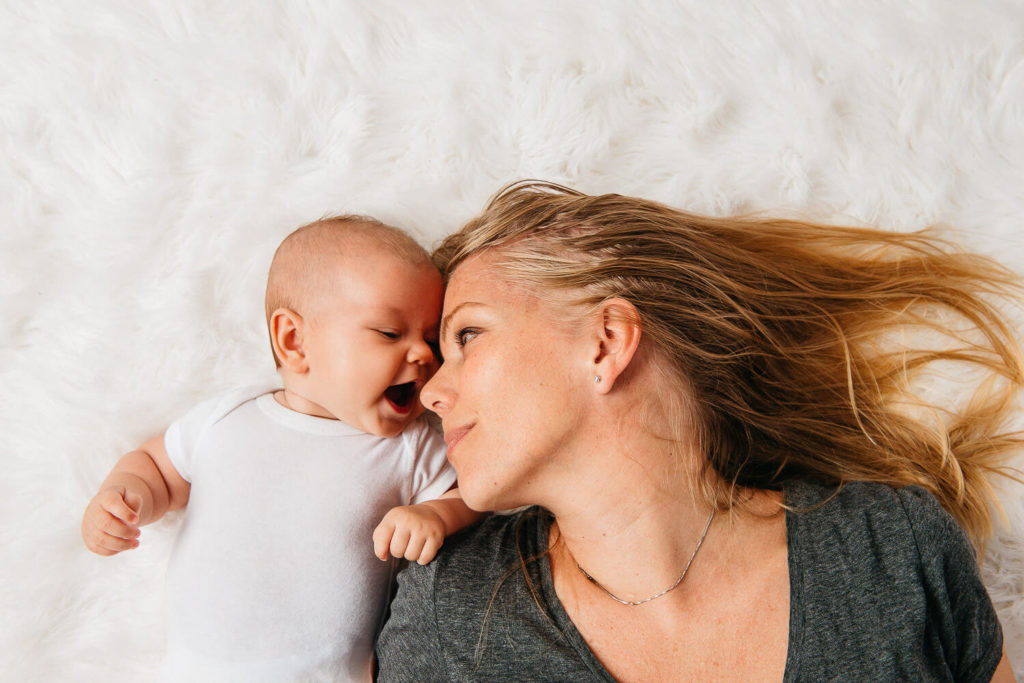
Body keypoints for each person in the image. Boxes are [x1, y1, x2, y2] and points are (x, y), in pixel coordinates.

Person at [376, 181, 1021, 681]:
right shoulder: (448, 614)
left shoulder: (890, 550)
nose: (431, 391)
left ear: (605, 344)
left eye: (467, 335)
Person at [80, 216, 482, 682]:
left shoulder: (409, 448)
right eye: (390, 333)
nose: (424, 355)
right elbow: (154, 464)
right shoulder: (228, 418)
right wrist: (124, 495)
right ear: (294, 342)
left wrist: (435, 516)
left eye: (431, 338)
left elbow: (467, 497)